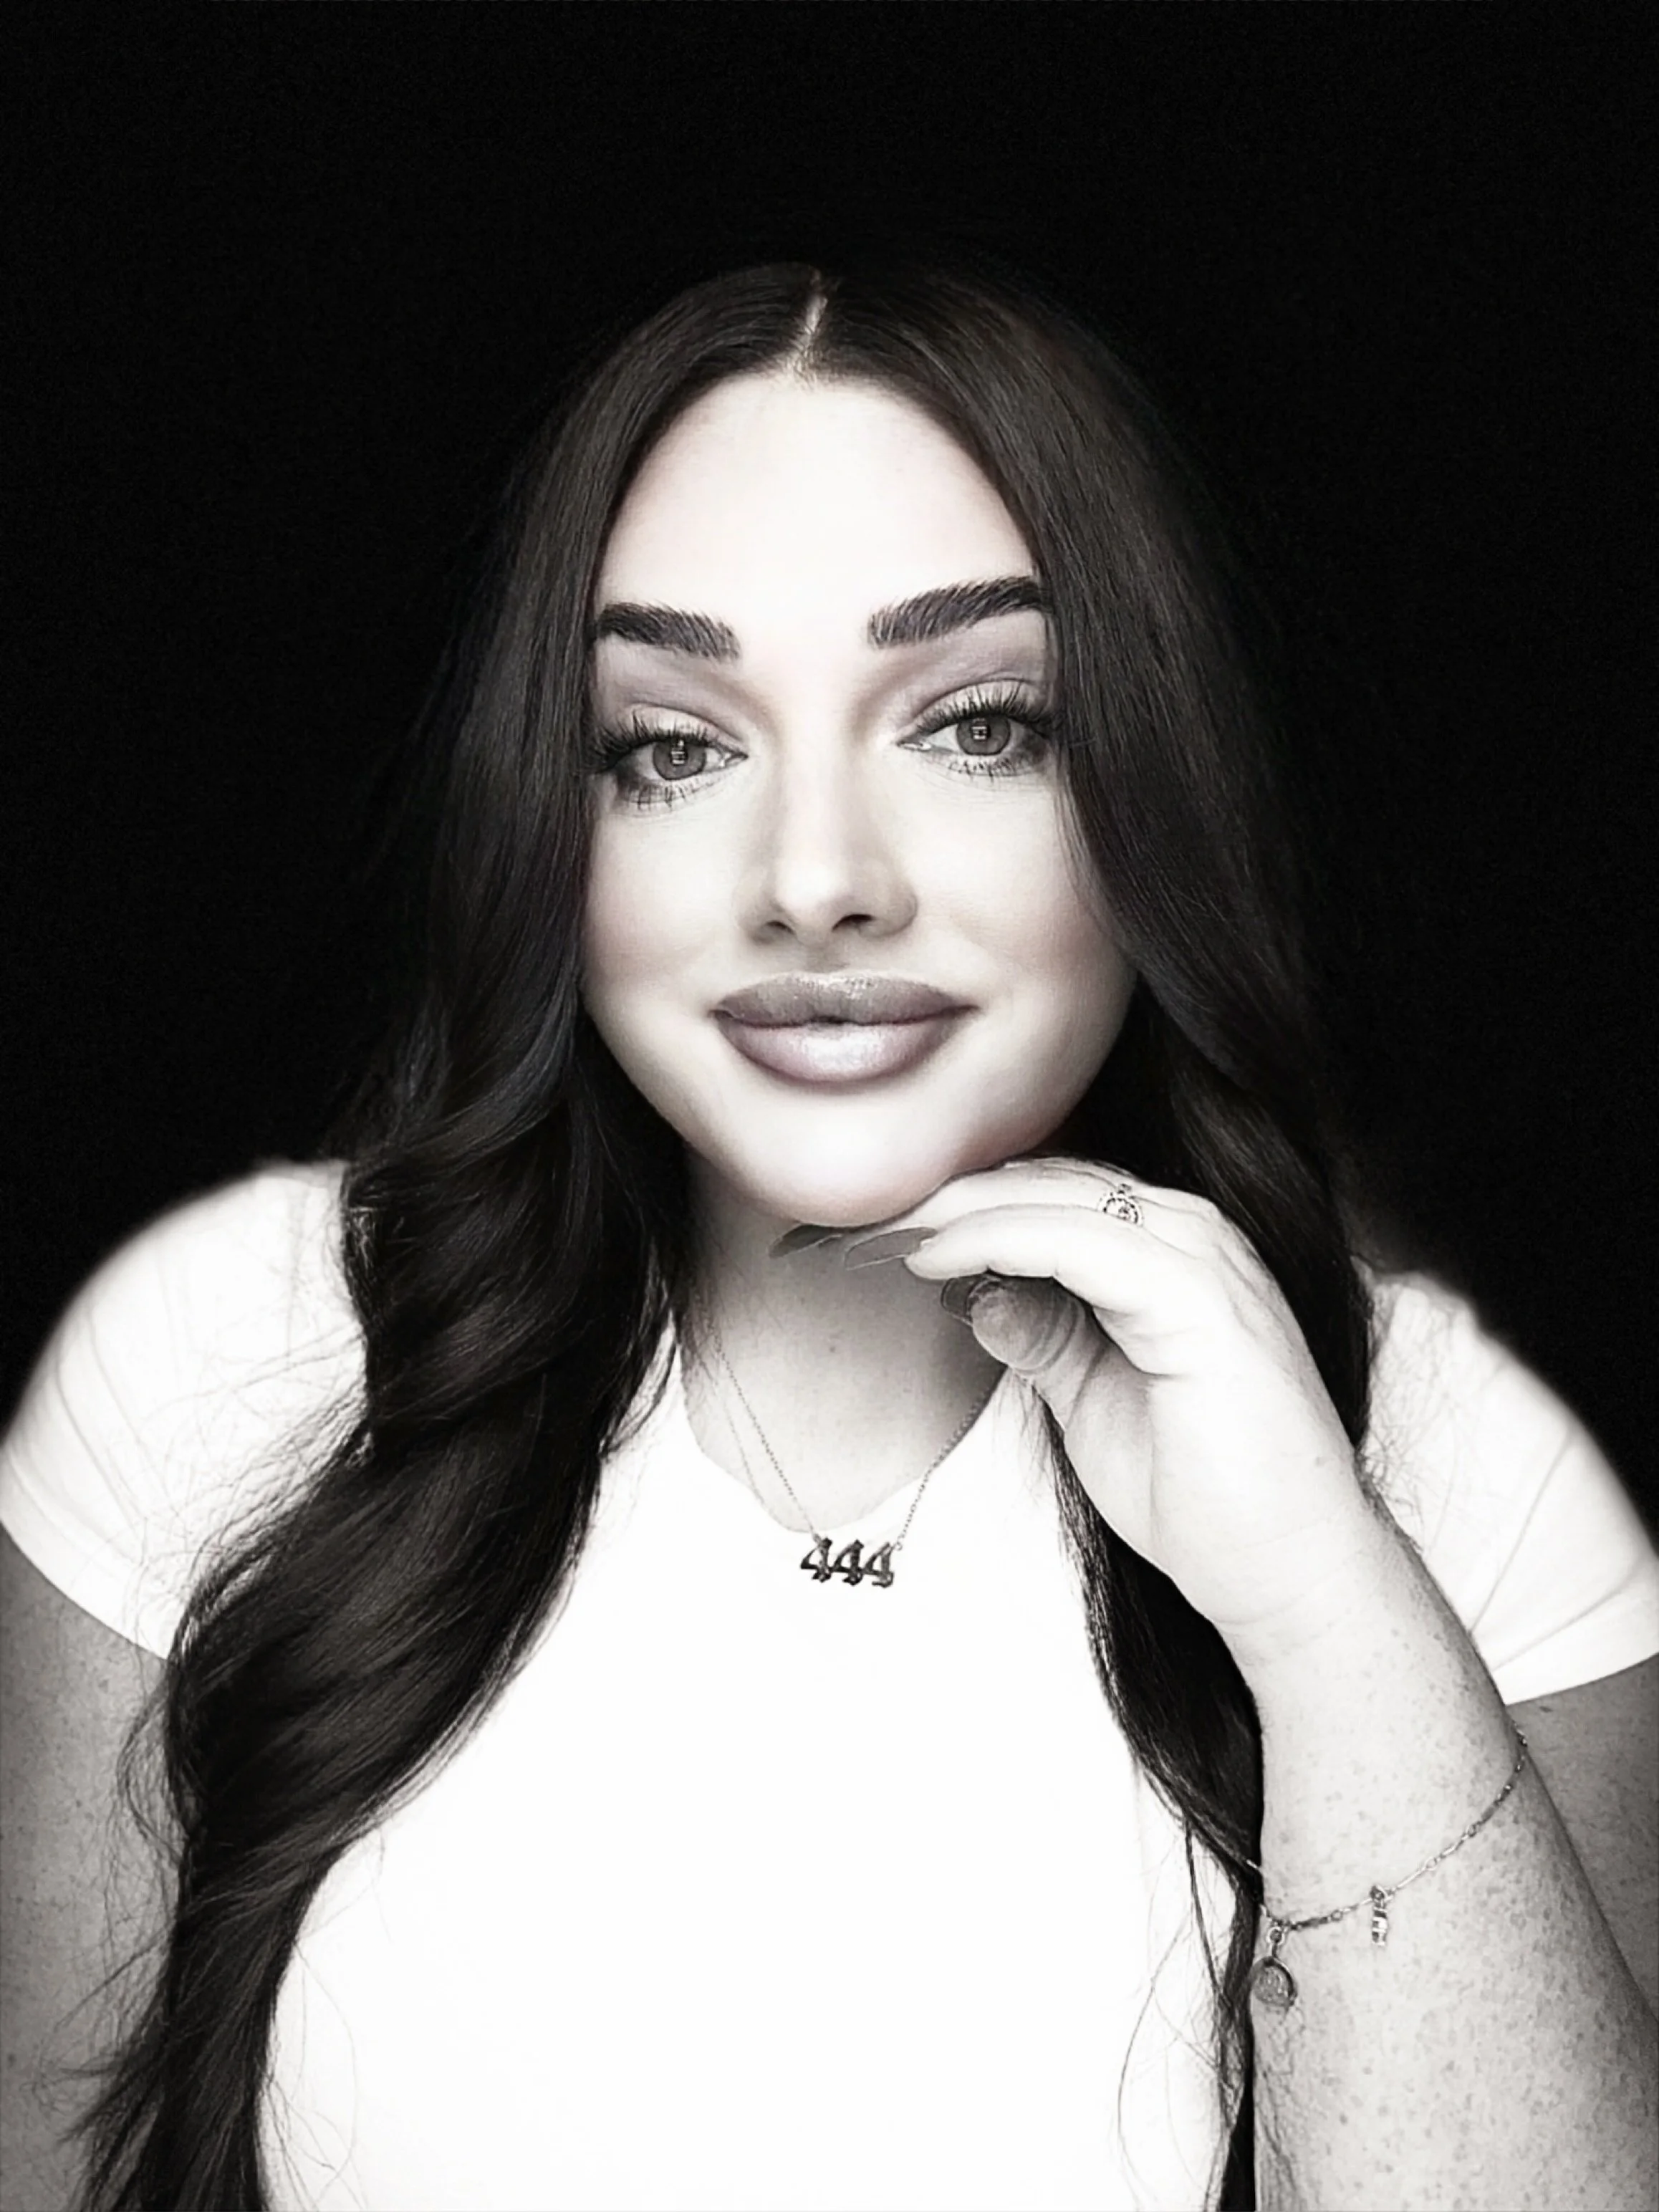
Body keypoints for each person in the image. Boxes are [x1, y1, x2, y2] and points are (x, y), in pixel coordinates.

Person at [2, 253, 1655, 2212]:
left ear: (1152, 779)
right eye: (672, 746)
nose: (813, 881)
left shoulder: (1478, 1475)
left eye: (976, 724)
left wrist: (1321, 1606)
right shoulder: (219, 1348)